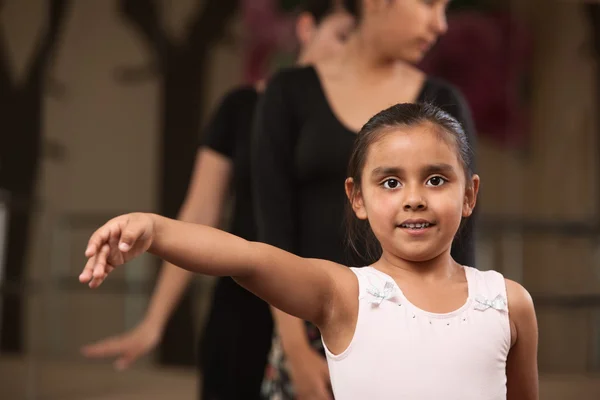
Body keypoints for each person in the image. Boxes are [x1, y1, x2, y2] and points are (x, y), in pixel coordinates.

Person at [79, 103, 539, 400]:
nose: (414, 197)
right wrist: (155, 231)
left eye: (436, 179)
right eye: (391, 182)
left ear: (469, 194)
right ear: (357, 197)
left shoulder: (508, 303)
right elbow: (246, 256)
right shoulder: (343, 294)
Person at [79, 2, 354, 399]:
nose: (351, 50)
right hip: (244, 303)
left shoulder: (364, 121)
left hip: (322, 306)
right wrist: (154, 322)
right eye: (343, 36)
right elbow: (200, 211)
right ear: (307, 27)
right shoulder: (241, 107)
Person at [252, 0, 477, 398]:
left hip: (418, 332)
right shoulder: (289, 92)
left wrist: (455, 343)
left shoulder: (445, 103)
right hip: (308, 327)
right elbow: (273, 231)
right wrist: (295, 351)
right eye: (428, 4)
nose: (440, 24)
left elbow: (463, 241)